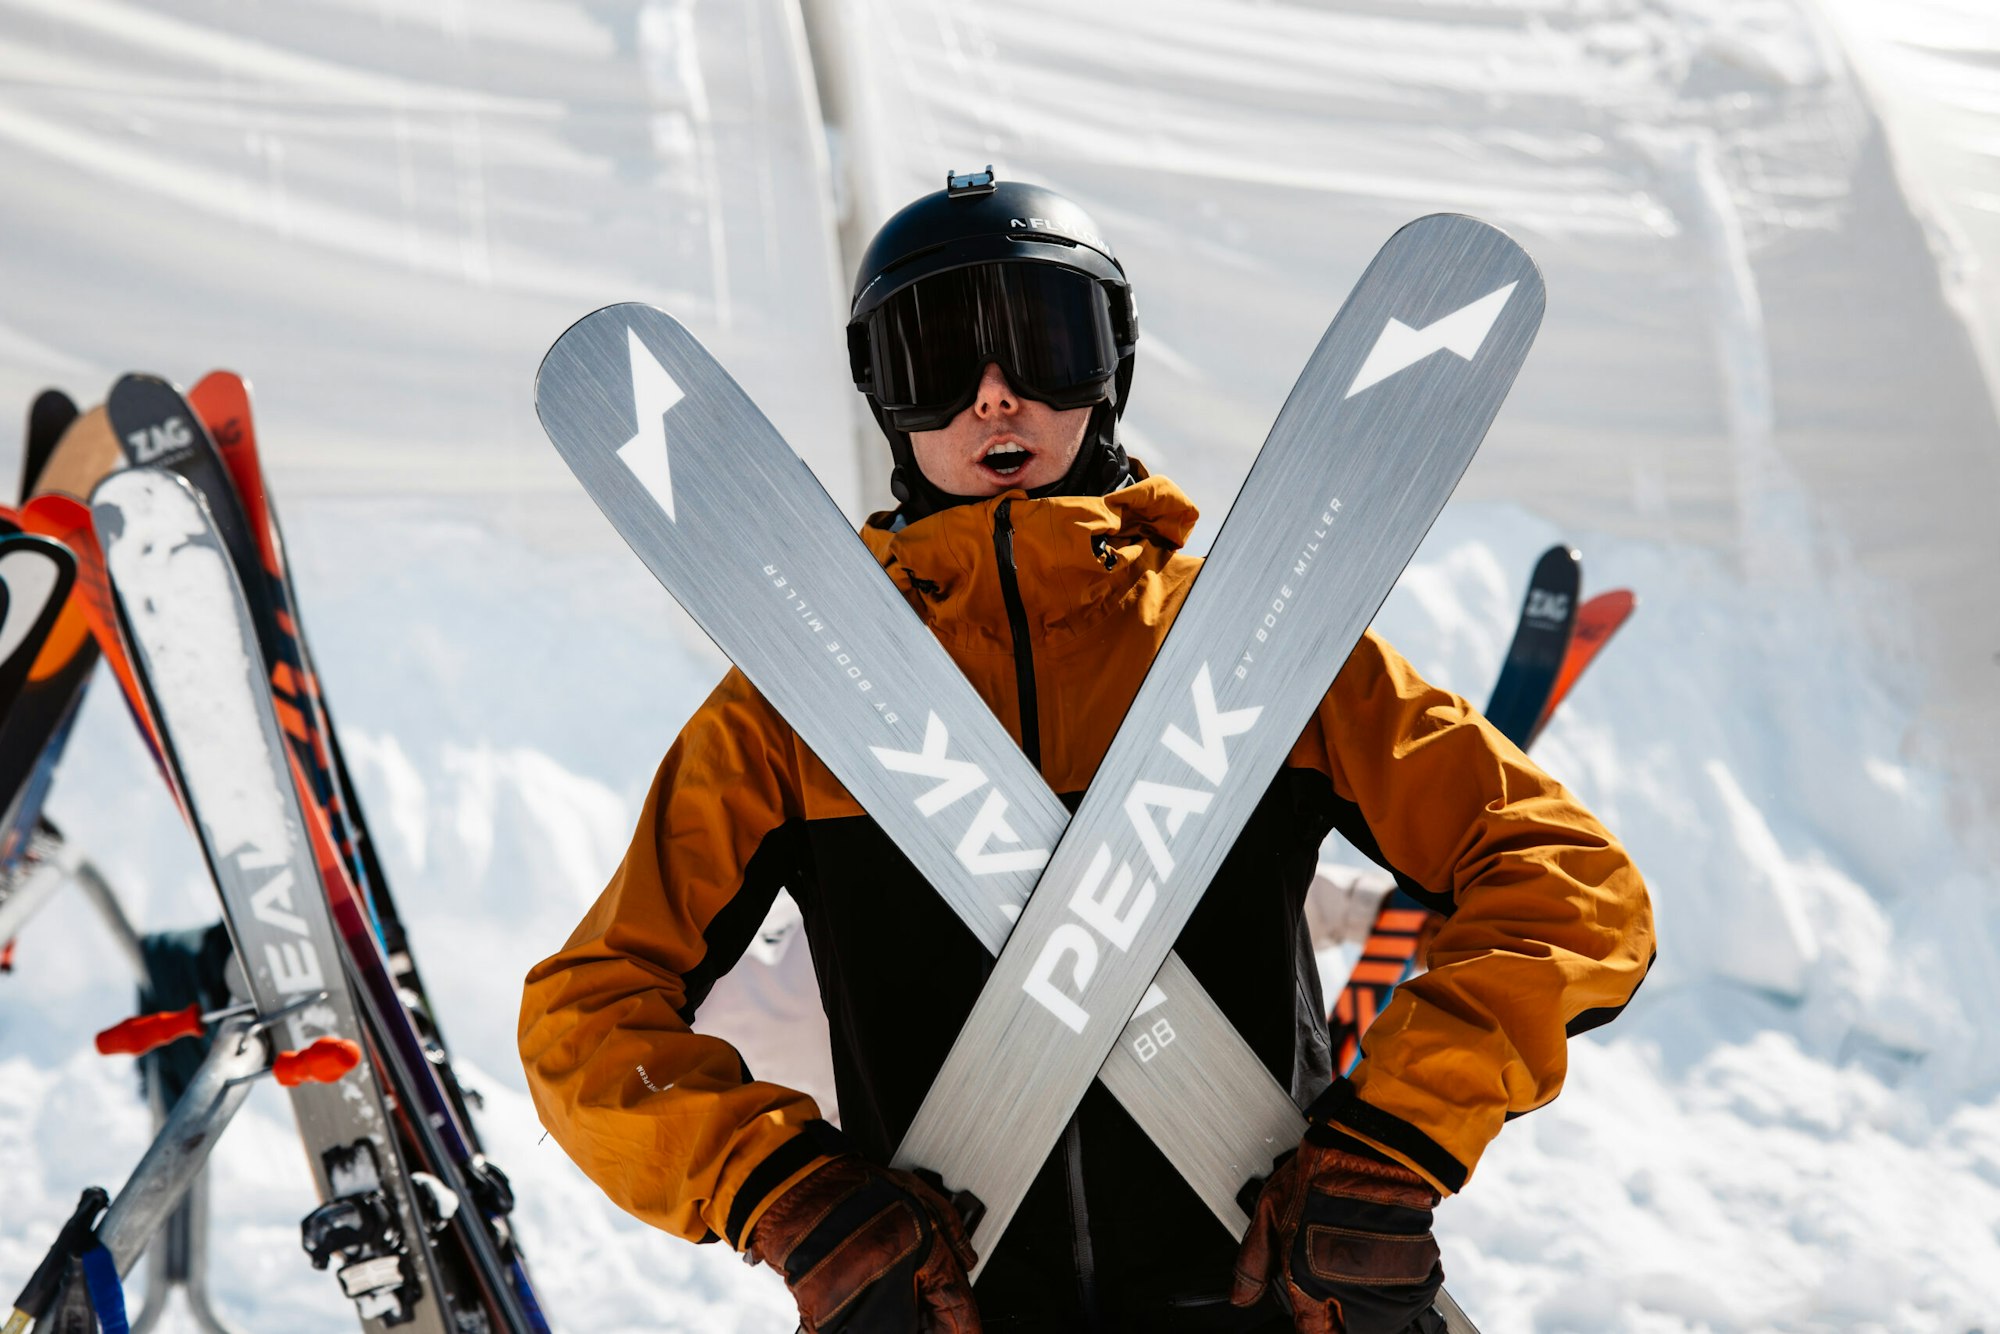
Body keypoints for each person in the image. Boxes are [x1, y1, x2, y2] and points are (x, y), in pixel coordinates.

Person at [518, 168, 1655, 1333]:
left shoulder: (1263, 644)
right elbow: (589, 1016)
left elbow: (1571, 889)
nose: (995, 397)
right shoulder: (784, 716)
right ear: (883, 398)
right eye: (937, 357)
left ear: (1110, 365)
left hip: (1264, 1302)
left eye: (1045, 344)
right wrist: (776, 1185)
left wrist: (1399, 1132)